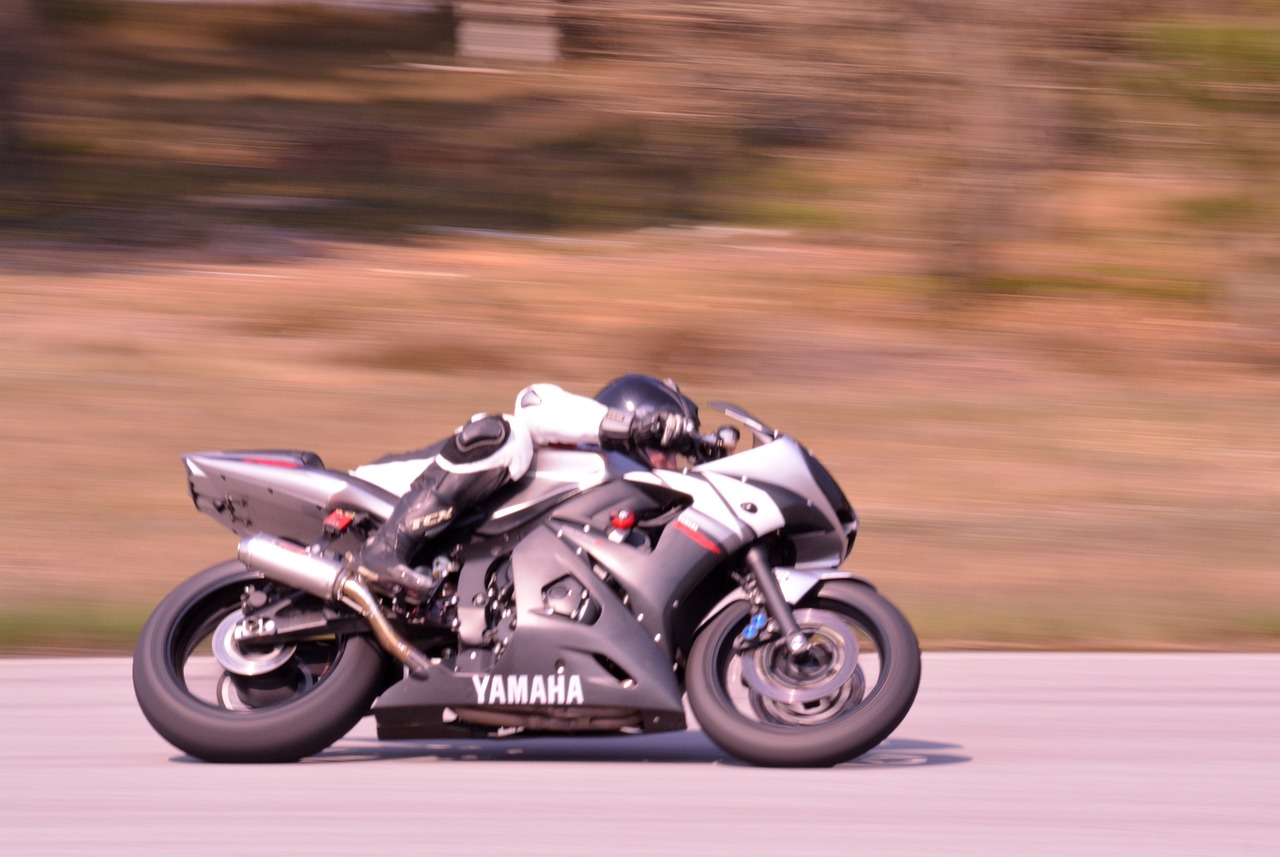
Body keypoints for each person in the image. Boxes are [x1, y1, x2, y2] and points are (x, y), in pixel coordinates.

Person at [349, 374, 700, 600]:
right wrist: (634, 427)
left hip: (443, 566)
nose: (670, 464)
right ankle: (387, 548)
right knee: (505, 433)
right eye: (664, 448)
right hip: (375, 496)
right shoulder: (573, 446)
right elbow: (532, 403)